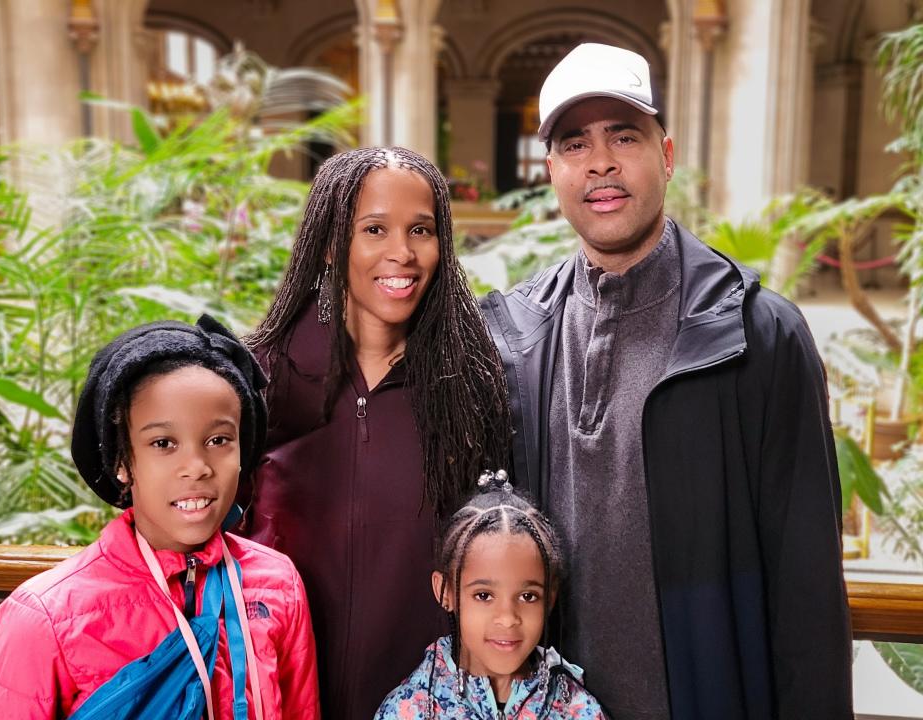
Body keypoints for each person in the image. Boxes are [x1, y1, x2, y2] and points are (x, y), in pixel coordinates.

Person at [479, 43, 853, 719]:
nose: (601, 161)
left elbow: (808, 593)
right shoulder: (516, 338)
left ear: (667, 155)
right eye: (575, 143)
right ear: (552, 171)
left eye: (625, 135)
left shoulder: (758, 337)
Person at [243, 146, 511, 718]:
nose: (402, 253)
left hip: (425, 705)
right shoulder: (259, 379)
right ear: (333, 244)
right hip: (277, 698)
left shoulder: (468, 390)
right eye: (375, 229)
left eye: (421, 229)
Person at [0, 315, 319, 719]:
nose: (196, 467)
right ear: (123, 460)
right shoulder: (45, 616)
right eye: (163, 442)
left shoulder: (277, 583)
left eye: (218, 440)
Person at [375, 470, 606, 720]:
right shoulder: (406, 711)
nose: (507, 619)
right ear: (446, 592)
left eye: (528, 596)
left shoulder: (579, 711)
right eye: (484, 595)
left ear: (549, 598)